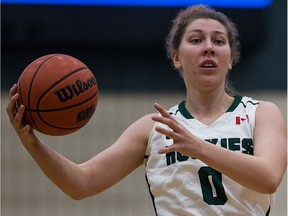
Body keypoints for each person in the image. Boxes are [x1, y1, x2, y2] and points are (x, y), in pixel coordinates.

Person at [6, 5, 287, 216]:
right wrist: (32, 143)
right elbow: (81, 183)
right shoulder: (152, 128)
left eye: (219, 41)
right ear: (176, 57)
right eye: (196, 40)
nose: (208, 49)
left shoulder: (261, 113)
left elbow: (269, 177)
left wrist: (198, 147)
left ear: (230, 59)